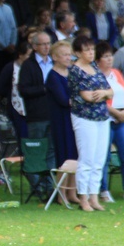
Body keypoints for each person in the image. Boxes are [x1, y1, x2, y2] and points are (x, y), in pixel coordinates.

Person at [68, 36, 113, 212]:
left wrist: (102, 92)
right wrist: (103, 93)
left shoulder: (95, 67)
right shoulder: (75, 70)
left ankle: (94, 197)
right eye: (86, 50)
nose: (90, 53)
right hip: (84, 117)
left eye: (92, 49)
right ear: (78, 52)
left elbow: (110, 91)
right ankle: (83, 198)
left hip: (102, 117)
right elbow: (87, 96)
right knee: (86, 159)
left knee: (99, 159)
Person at [94, 42, 124, 203]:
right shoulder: (96, 75)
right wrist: (116, 113)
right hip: (107, 120)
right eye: (105, 56)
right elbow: (99, 100)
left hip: (122, 119)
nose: (109, 59)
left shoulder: (116, 73)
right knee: (104, 157)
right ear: (98, 59)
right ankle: (104, 190)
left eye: (110, 55)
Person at [17, 32, 57, 194]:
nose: (47, 47)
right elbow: (23, 90)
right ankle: (37, 187)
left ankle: (50, 186)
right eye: (43, 44)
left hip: (53, 114)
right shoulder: (28, 65)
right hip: (36, 116)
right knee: (37, 152)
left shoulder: (54, 63)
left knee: (51, 151)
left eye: (49, 43)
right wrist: (45, 89)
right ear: (34, 47)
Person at [45, 40, 78, 204]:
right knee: (64, 156)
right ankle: (61, 194)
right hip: (61, 120)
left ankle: (72, 193)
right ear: (55, 57)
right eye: (64, 55)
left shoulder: (71, 72)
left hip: (73, 119)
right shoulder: (53, 76)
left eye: (69, 54)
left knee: (74, 155)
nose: (68, 57)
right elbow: (63, 100)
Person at [0, 41, 32, 141]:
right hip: (16, 106)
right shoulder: (10, 67)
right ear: (21, 55)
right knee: (23, 135)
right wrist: (10, 92)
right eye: (29, 55)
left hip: (32, 106)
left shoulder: (33, 67)